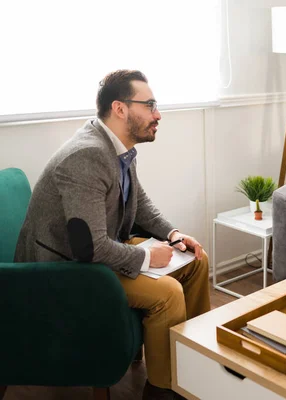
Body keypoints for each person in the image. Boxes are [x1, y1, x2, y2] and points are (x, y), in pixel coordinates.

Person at [14, 70, 210, 399]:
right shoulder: (86, 156)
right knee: (168, 294)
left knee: (195, 261)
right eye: (149, 105)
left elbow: (141, 205)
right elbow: (88, 248)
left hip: (96, 252)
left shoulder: (117, 146)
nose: (158, 114)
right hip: (65, 271)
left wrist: (174, 235)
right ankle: (162, 388)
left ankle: (195, 361)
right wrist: (147, 256)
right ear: (120, 109)